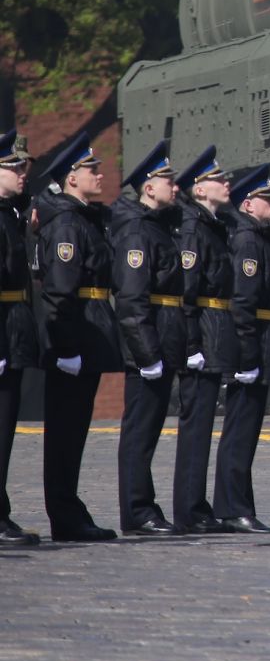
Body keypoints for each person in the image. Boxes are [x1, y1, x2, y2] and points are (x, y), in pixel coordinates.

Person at [36, 130, 123, 542]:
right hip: (73, 339)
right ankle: (66, 516)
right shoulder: (68, 224)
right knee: (66, 434)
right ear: (71, 178)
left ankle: (69, 511)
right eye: (91, 169)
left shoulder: (82, 218)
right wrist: (66, 348)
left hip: (85, 336)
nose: (99, 174)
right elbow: (59, 291)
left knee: (74, 433)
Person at [111, 140, 185, 536]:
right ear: (148, 187)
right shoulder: (138, 231)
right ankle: (138, 512)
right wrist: (146, 353)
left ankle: (143, 508)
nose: (175, 187)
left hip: (163, 338)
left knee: (149, 431)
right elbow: (132, 297)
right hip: (149, 344)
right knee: (139, 433)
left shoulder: (157, 227)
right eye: (167, 180)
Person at [214, 164, 270, 534]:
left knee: (246, 432)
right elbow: (243, 302)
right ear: (248, 204)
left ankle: (237, 505)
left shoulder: (257, 238)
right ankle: (232, 509)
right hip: (253, 341)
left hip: (261, 336)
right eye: (265, 198)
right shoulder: (247, 241)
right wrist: (248, 355)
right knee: (240, 430)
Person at [172, 146, 231, 534]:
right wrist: (192, 346)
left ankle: (197, 505)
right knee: (195, 428)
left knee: (204, 426)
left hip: (213, 331)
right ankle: (189, 510)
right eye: (218, 179)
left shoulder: (210, 225)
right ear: (198, 190)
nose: (227, 183)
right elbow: (187, 294)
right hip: (202, 335)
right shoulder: (194, 229)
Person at [0, 129, 40, 547]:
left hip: (13, 330)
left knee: (6, 433)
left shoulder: (10, 213)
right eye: (14, 166)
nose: (23, 172)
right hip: (2, 332)